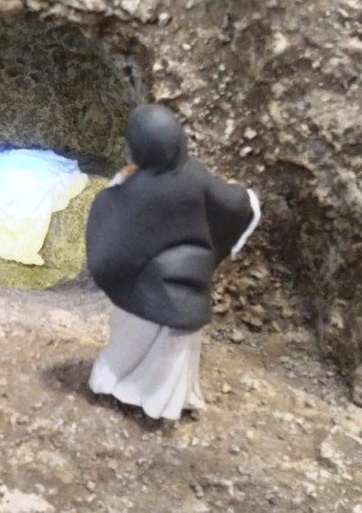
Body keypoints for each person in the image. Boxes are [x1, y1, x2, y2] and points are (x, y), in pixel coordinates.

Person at [85, 104, 261, 420]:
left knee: (128, 351)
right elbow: (236, 204)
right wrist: (249, 200)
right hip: (189, 293)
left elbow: (109, 253)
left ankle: (115, 386)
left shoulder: (137, 192)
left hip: (147, 298)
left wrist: (115, 188)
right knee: (172, 358)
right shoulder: (194, 174)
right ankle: (165, 402)